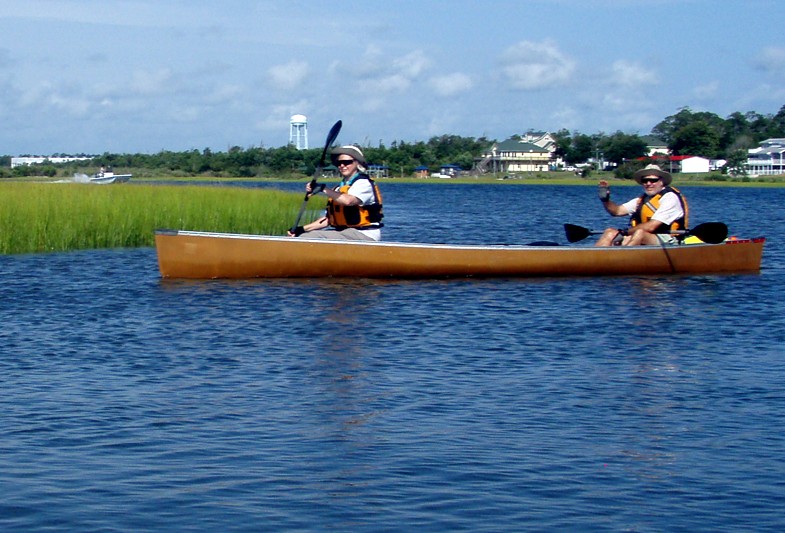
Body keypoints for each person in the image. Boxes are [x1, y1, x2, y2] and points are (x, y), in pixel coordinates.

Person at [288, 145, 383, 241]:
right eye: (339, 163)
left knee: (307, 238)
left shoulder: (363, 183)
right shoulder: (338, 189)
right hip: (345, 232)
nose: (342, 166)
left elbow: (348, 201)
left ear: (357, 163)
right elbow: (328, 220)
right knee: (303, 235)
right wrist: (302, 229)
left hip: (364, 233)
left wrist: (323, 189)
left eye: (347, 162)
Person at [594, 164, 689, 246]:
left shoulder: (670, 198)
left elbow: (651, 226)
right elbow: (617, 211)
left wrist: (626, 232)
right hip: (644, 237)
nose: (648, 183)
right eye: (645, 180)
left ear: (662, 182)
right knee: (610, 232)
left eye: (653, 180)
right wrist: (605, 199)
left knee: (640, 233)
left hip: (669, 239)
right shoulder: (642, 200)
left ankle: (622, 258)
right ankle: (594, 258)